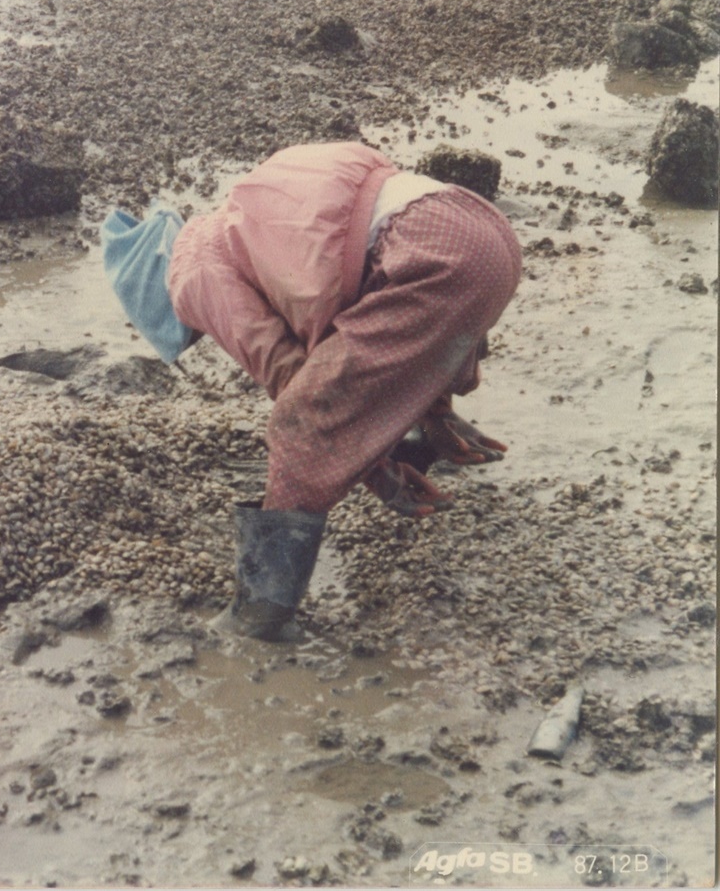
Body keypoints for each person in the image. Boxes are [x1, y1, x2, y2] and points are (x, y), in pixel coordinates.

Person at [101, 141, 521, 640]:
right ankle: (428, 440)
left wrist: (376, 475)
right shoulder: (245, 220)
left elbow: (299, 389)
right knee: (359, 357)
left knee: (298, 423)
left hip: (435, 262)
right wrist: (427, 412)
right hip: (477, 229)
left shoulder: (192, 271)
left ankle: (260, 614)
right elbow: (363, 314)